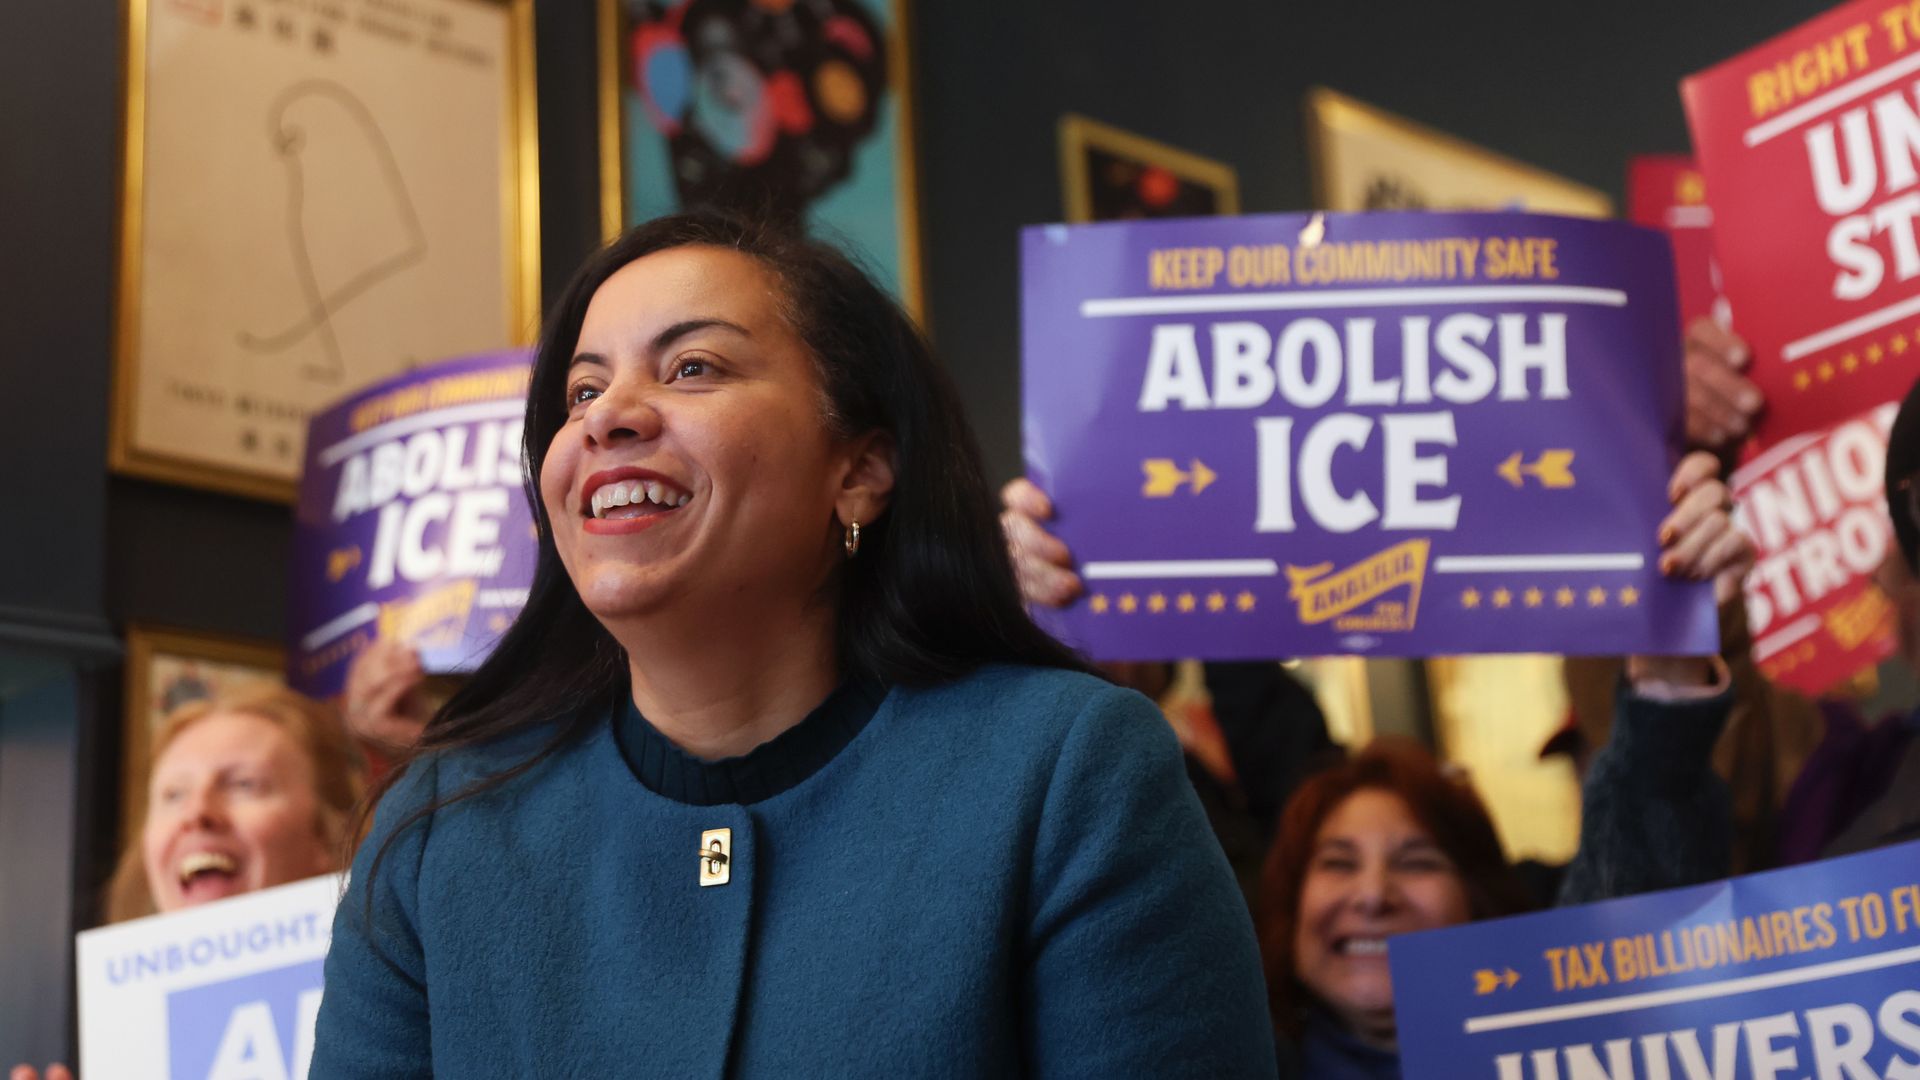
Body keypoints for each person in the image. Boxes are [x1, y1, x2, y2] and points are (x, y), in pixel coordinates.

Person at [311, 212, 1277, 1077]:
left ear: (859, 471)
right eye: (581, 390)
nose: (608, 415)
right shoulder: (434, 831)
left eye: (693, 367)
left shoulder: (1070, 774)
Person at [10, 687, 364, 1080]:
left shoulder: (402, 1018)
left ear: (329, 837)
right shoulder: (116, 1045)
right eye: (173, 794)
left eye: (245, 784)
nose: (196, 812)